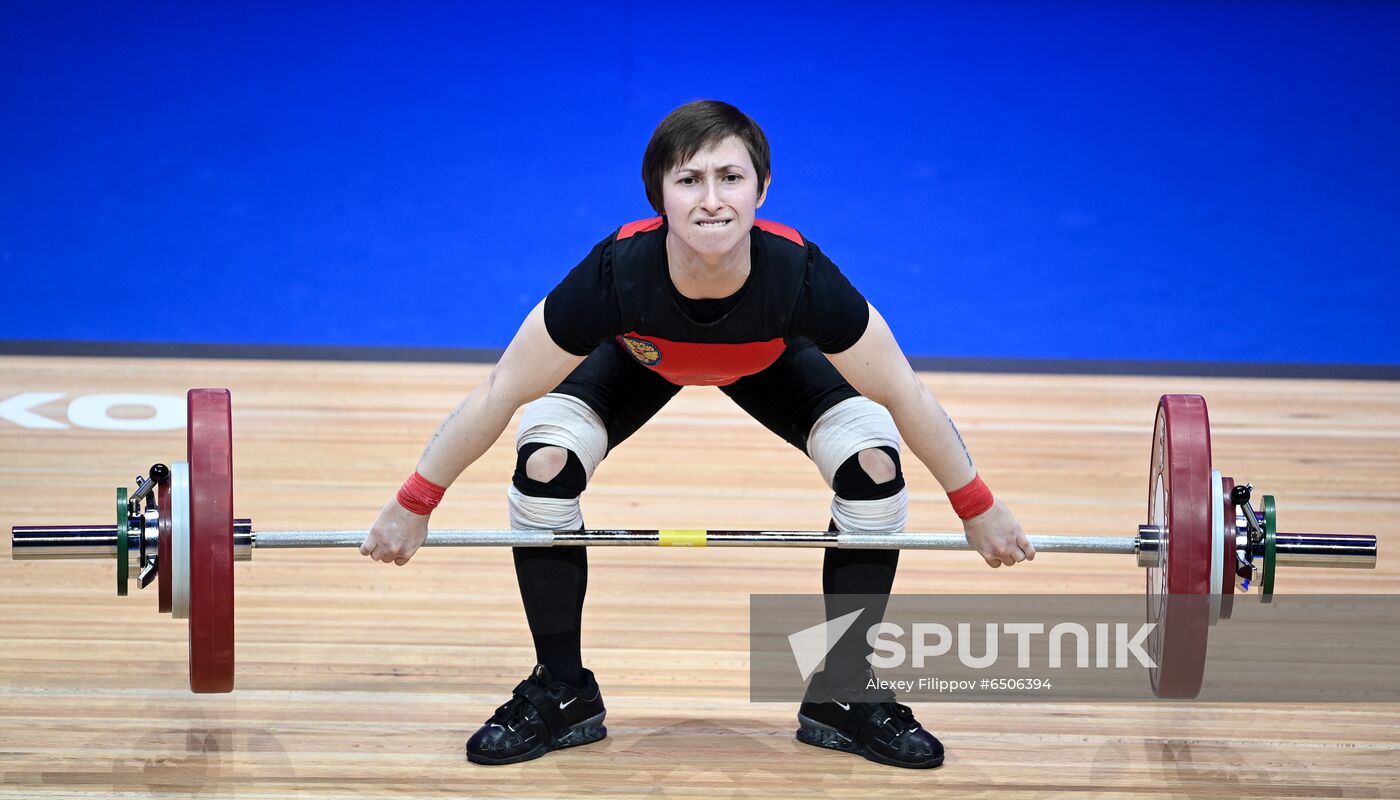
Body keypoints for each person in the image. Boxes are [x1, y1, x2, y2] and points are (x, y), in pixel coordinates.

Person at [360, 100, 1032, 769]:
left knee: (874, 469)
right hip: (635, 360)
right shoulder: (613, 276)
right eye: (689, 181)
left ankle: (845, 691)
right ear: (659, 197)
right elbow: (501, 391)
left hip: (770, 360)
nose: (711, 201)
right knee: (544, 466)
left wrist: (977, 506)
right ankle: (561, 690)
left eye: (730, 178)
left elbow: (904, 393)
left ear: (762, 190)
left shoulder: (800, 278)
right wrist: (414, 502)